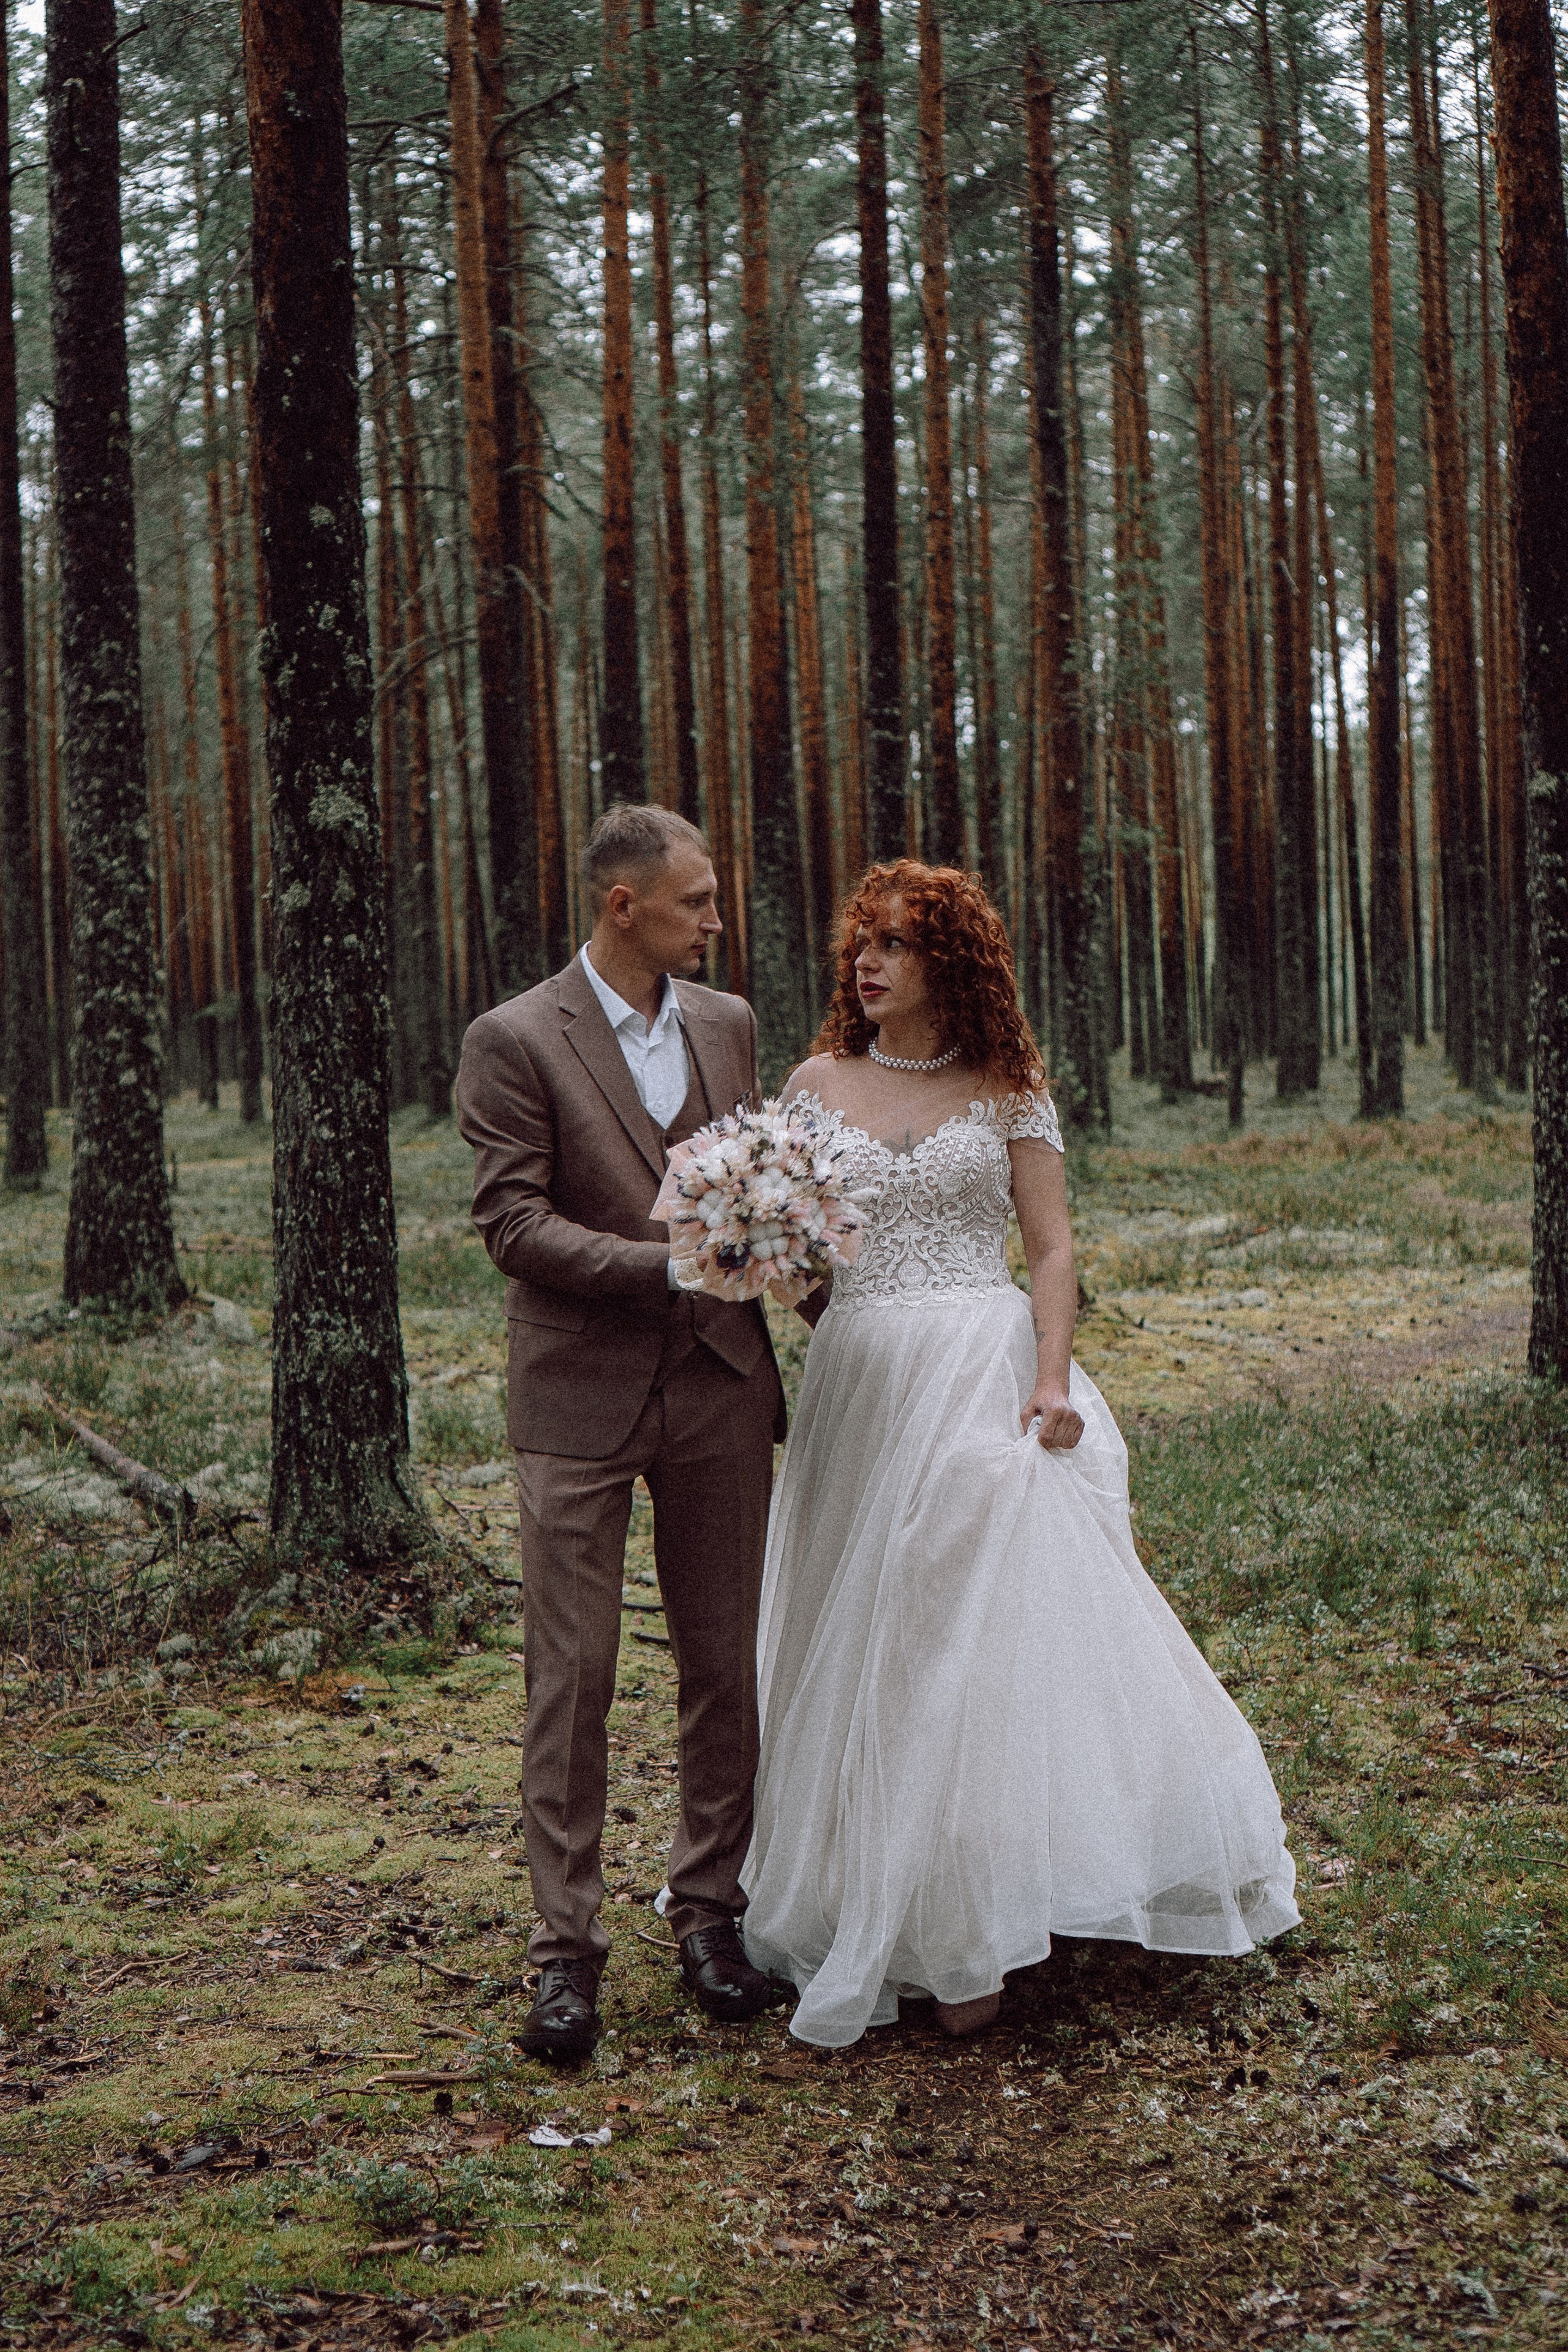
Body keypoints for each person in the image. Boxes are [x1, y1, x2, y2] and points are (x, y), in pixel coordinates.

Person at [741, 861, 1299, 2049]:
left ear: (951, 963)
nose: (868, 962)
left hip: (984, 1378)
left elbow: (1048, 1250)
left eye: (895, 943)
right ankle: (877, 1909)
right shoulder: (810, 1084)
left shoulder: (1005, 1090)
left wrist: (1050, 1379)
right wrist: (787, 1287)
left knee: (969, 1638)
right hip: (860, 1382)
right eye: (861, 942)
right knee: (868, 1635)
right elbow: (792, 1262)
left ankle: (974, 1923)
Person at [455, 804, 785, 2062]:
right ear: (622, 907)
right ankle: (564, 1955)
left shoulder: (727, 1024)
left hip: (717, 1387)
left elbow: (753, 1186)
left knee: (722, 1668)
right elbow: (512, 1227)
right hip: (578, 1402)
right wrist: (669, 1268)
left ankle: (708, 1916)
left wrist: (802, 1265)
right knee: (573, 1680)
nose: (715, 921)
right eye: (696, 901)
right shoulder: (511, 1040)